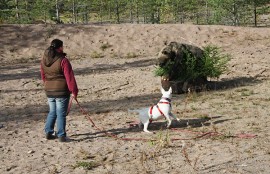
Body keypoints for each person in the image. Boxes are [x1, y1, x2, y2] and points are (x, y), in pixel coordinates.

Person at [40, 39, 78, 142]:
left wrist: (48, 85)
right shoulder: (63, 60)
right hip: (61, 91)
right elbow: (69, 77)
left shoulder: (43, 60)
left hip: (49, 90)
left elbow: (43, 76)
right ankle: (61, 135)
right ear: (60, 47)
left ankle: (48, 132)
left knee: (52, 111)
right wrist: (74, 91)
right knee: (61, 113)